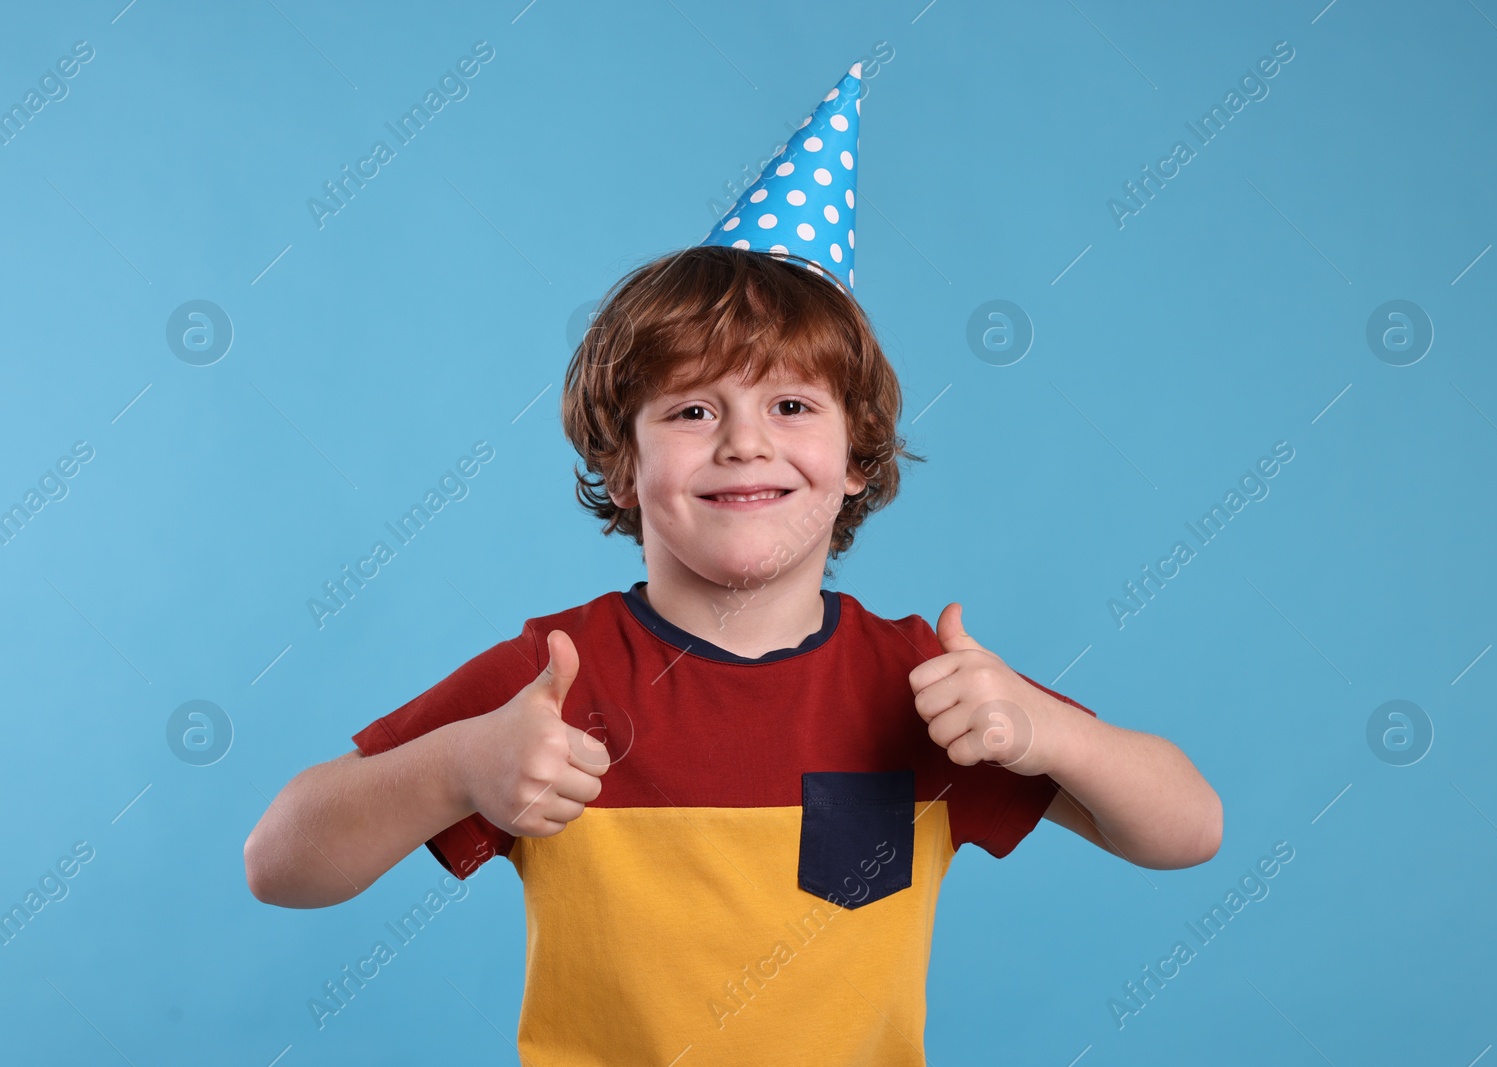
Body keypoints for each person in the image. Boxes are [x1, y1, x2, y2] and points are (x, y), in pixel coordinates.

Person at [244, 63, 1221, 1065]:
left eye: (791, 405)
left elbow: (1187, 827)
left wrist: (1047, 729)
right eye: (692, 409)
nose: (743, 442)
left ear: (857, 459)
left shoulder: (923, 684)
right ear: (622, 466)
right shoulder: (551, 681)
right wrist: (459, 764)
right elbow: (279, 860)